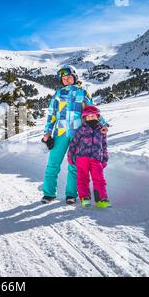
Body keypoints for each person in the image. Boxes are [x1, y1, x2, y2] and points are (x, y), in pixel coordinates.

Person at [41, 65, 109, 205]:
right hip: (60, 133)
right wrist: (47, 132)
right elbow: (51, 115)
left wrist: (103, 124)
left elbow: (92, 111)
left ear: (75, 77)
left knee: (75, 165)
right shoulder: (58, 94)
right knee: (53, 164)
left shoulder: (83, 93)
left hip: (79, 134)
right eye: (63, 79)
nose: (66, 80)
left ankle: (71, 194)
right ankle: (49, 194)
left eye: (69, 77)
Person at [67, 106, 111, 208]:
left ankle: (101, 199)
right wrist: (70, 155)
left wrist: (105, 158)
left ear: (98, 117)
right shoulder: (81, 129)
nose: (91, 118)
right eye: (88, 116)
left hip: (96, 159)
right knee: (83, 178)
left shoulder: (102, 130)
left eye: (93, 116)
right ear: (85, 118)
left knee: (99, 179)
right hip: (82, 158)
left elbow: (104, 145)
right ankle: (85, 198)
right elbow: (74, 143)